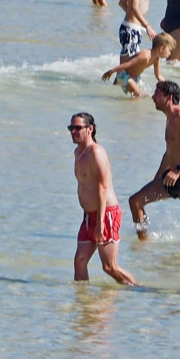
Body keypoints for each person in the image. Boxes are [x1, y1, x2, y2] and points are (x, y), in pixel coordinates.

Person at [128, 80, 180, 241]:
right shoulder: (169, 118)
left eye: (157, 93)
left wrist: (178, 170)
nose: (152, 97)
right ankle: (143, 244)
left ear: (169, 97)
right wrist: (158, 177)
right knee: (136, 201)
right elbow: (169, 152)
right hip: (170, 176)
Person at [70, 113, 137, 285]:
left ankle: (138, 291)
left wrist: (100, 222)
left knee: (109, 267)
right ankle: (83, 305)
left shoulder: (96, 152)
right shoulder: (78, 152)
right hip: (88, 215)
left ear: (90, 129)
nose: (73, 132)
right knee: (80, 261)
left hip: (105, 214)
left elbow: (102, 188)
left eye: (78, 128)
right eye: (71, 128)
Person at [102, 33, 175, 97]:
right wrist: (111, 71)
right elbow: (127, 63)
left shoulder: (156, 59)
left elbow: (159, 76)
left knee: (146, 94)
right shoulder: (145, 56)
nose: (170, 53)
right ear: (161, 48)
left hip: (135, 77)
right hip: (124, 74)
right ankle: (131, 111)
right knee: (138, 94)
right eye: (169, 50)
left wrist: (169, 89)